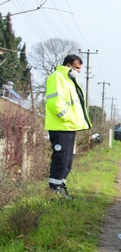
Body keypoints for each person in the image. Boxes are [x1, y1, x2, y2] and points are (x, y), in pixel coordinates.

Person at [44, 54, 92, 197]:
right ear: (68, 65)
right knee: (61, 158)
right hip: (61, 127)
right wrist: (68, 118)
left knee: (67, 160)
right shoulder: (57, 77)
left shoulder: (69, 80)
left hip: (69, 127)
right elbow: (54, 103)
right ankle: (54, 190)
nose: (79, 71)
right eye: (77, 68)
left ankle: (61, 186)